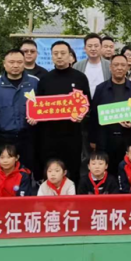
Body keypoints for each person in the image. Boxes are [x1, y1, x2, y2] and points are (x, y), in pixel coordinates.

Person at [36, 41, 92, 182]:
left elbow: (87, 104)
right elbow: (38, 106)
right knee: (50, 170)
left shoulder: (80, 78)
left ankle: (73, 195)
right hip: (49, 135)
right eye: (55, 54)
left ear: (70, 55)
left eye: (63, 53)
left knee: (73, 170)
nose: (59, 56)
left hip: (72, 134)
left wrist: (83, 114)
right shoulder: (45, 79)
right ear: (51, 56)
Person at [90, 54, 131, 172]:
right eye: (116, 65)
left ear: (127, 67)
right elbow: (94, 115)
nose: (119, 68)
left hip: (128, 138)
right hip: (105, 139)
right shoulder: (100, 88)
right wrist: (93, 139)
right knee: (107, 171)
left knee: (128, 171)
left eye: (123, 65)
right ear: (110, 67)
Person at [0, 49, 40, 176]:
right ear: (4, 63)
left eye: (19, 62)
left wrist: (37, 117)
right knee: (6, 171)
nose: (15, 65)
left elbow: (43, 107)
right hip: (4, 137)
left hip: (28, 135)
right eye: (11, 62)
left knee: (27, 171)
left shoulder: (34, 82)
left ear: (24, 63)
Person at [74, 33, 111, 98]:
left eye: (96, 46)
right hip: (84, 102)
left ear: (101, 47)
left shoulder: (109, 65)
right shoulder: (77, 66)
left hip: (104, 102)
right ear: (85, 48)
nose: (93, 49)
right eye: (90, 46)